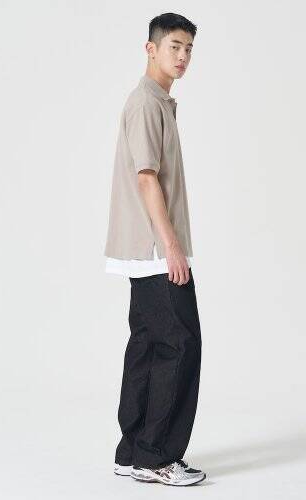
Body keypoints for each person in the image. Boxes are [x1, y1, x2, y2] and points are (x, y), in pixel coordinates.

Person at [104, 12, 205, 487]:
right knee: (180, 345)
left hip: (143, 249)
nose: (182, 56)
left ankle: (133, 450)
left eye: (188, 49)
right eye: (174, 47)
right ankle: (157, 455)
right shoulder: (146, 103)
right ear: (151, 49)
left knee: (148, 346)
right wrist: (172, 247)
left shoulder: (157, 101)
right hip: (154, 249)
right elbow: (147, 180)